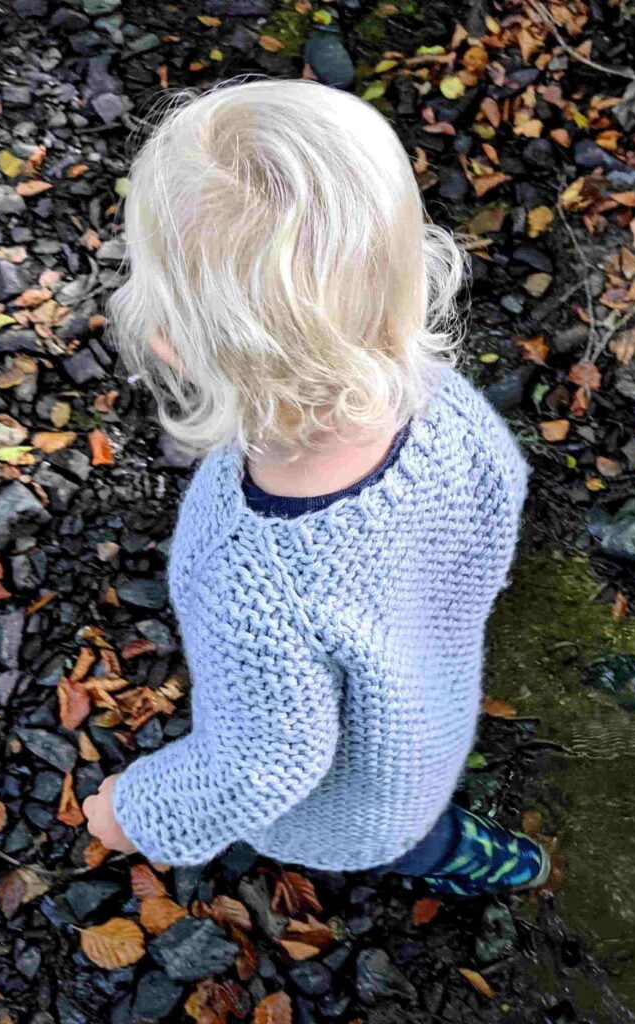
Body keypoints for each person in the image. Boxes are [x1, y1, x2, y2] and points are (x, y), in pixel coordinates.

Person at [82, 77, 549, 897]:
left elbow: (261, 766)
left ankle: (455, 858)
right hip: (433, 698)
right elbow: (496, 495)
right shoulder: (444, 402)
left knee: (407, 836)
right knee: (426, 812)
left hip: (366, 802)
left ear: (174, 345)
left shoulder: (247, 568)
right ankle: (488, 856)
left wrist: (137, 809)